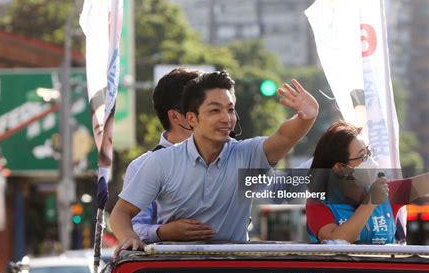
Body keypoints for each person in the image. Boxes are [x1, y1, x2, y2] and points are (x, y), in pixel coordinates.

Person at [110, 70, 319, 252]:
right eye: (214, 110)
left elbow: (283, 137)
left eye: (230, 109)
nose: (226, 118)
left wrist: (306, 117)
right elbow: (121, 213)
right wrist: (131, 239)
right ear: (191, 118)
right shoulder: (160, 162)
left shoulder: (247, 154)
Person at [306, 120, 429, 244]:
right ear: (340, 168)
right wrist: (370, 202)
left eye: (368, 153)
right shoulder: (318, 203)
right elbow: (335, 240)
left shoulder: (387, 191)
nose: (370, 161)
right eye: (362, 157)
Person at [128, 68, 215, 242]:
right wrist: (162, 232)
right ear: (176, 117)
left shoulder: (234, 154)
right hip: (172, 267)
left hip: (233, 266)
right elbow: (131, 229)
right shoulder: (143, 166)